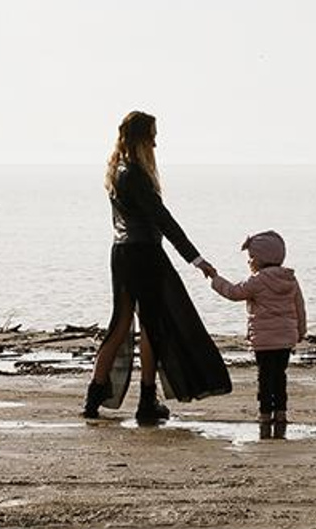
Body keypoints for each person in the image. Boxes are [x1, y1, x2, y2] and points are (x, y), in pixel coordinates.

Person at [85, 111, 232, 426]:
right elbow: (162, 219)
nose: (156, 140)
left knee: (122, 323)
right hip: (144, 254)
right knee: (153, 326)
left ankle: (95, 396)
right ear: (140, 137)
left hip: (122, 252)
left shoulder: (117, 171)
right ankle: (147, 400)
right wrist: (196, 259)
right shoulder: (135, 174)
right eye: (152, 134)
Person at [195, 231, 308, 439]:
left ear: (257, 260)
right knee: (279, 375)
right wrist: (301, 330)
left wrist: (215, 279)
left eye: (250, 259)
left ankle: (265, 414)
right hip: (284, 339)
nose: (249, 263)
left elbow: (233, 292)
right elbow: (299, 306)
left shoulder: (257, 281)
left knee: (265, 377)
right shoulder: (290, 279)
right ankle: (280, 412)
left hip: (264, 341)